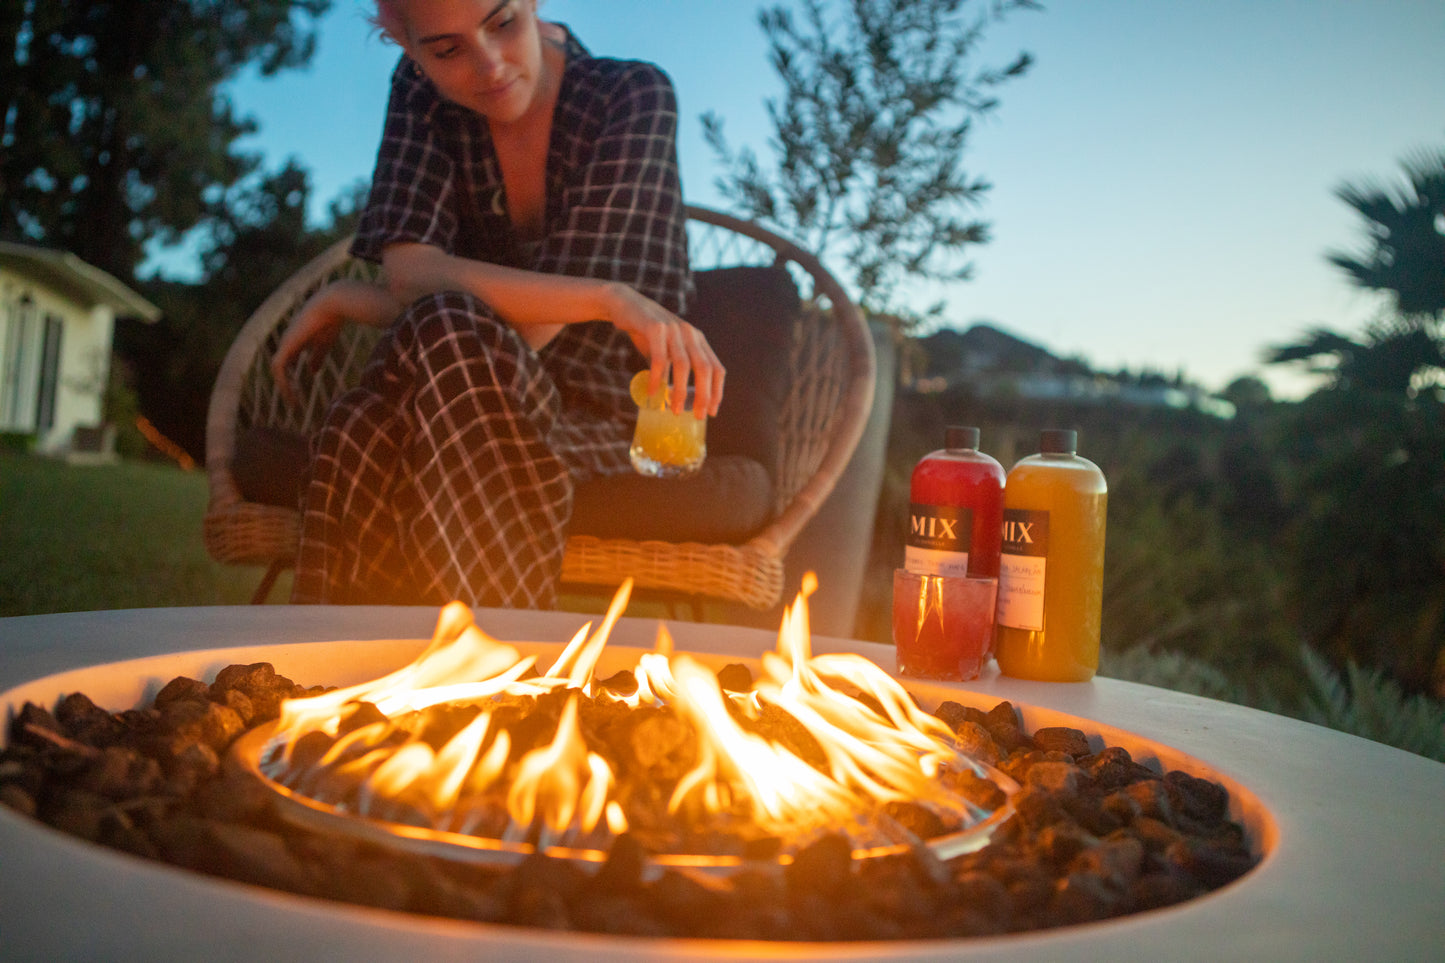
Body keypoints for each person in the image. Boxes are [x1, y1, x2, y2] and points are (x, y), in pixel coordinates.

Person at [270, 0, 724, 609]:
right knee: (384, 403)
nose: (489, 66)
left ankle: (350, 657)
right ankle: (498, 658)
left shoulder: (631, 95)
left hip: (606, 410)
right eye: (447, 50)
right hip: (449, 377)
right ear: (409, 48)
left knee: (372, 417)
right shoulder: (420, 91)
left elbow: (526, 329)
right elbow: (411, 273)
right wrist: (607, 297)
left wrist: (357, 298)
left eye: (503, 22)